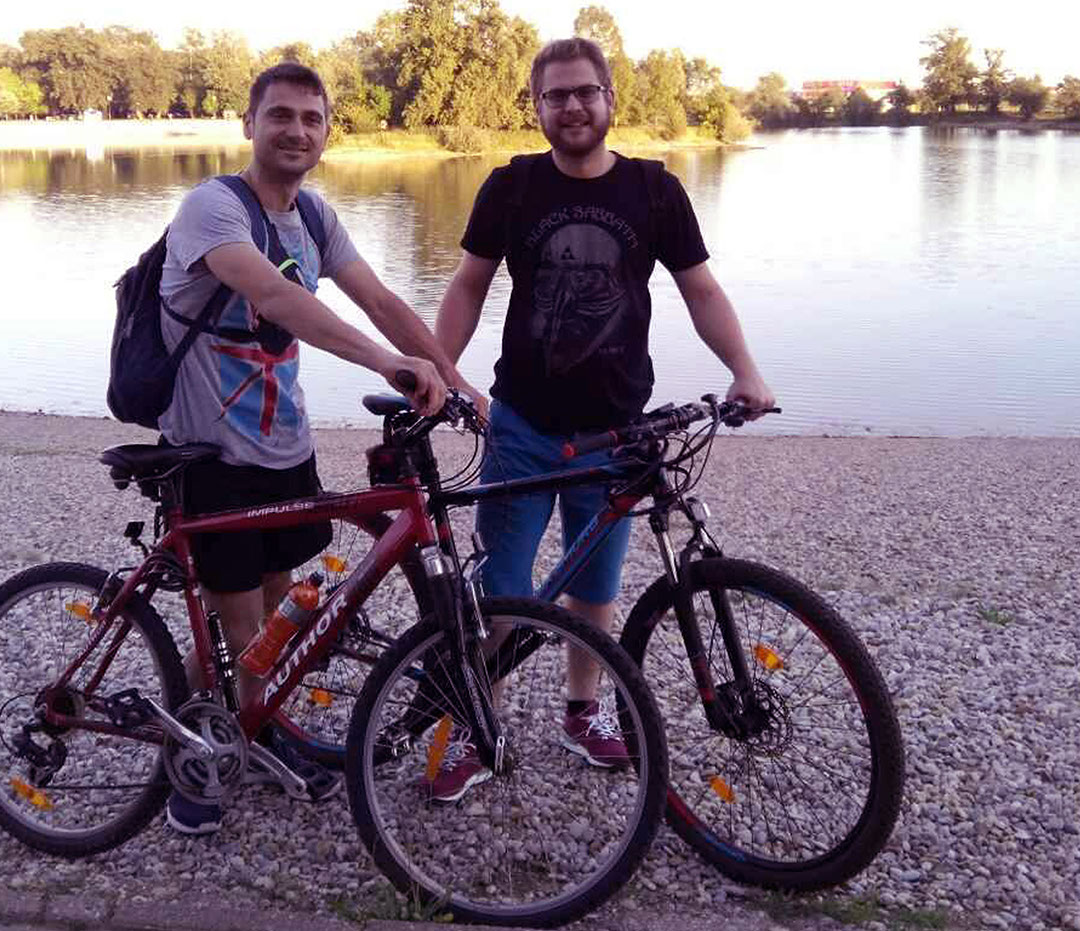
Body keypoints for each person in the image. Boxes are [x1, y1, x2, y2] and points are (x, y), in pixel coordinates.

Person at [433, 38, 775, 800]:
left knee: (594, 586)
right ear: (537, 105)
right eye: (555, 95)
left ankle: (581, 712)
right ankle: (479, 724)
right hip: (521, 427)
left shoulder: (655, 191)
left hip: (619, 431)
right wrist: (439, 370)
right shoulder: (511, 187)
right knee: (502, 588)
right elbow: (467, 287)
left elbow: (701, 291)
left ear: (611, 98)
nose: (572, 106)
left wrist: (744, 369)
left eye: (586, 91)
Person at [159, 62, 480, 833]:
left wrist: (459, 383)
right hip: (211, 456)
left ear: (328, 131)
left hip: (283, 448)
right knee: (240, 628)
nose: (297, 130)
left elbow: (380, 299)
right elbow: (277, 297)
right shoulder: (213, 208)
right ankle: (205, 757)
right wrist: (387, 363)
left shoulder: (314, 214)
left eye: (312, 118)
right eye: (280, 115)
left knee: (276, 614)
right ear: (249, 124)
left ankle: (246, 725)